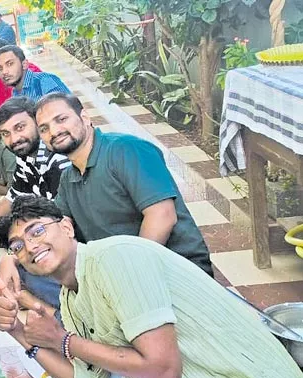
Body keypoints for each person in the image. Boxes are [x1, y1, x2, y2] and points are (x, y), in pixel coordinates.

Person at [0, 195, 303, 378]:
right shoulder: (71, 300)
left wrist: (63, 342)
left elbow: (165, 371)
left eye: (36, 232)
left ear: (67, 228)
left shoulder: (117, 258)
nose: (30, 247)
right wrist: (19, 333)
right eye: (17, 246)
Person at [35, 92, 213, 275]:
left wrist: (131, 276)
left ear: (85, 117)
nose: (54, 132)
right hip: (120, 276)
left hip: (175, 270)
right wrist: (14, 254)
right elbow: (57, 224)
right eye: (44, 129)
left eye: (61, 119)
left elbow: (163, 216)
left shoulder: (126, 149)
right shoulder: (68, 179)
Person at [0, 97, 71, 316]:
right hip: (48, 234)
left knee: (15, 277)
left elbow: (62, 227)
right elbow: (12, 198)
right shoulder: (26, 158)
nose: (14, 138)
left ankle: (60, 316)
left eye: (20, 127)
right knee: (8, 279)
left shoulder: (55, 161)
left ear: (37, 123)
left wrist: (14, 255)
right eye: (7, 133)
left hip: (69, 244)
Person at [0, 45, 69, 101]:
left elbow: (66, 112)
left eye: (10, 64)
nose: (4, 72)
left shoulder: (44, 81)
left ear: (24, 64)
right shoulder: (15, 93)